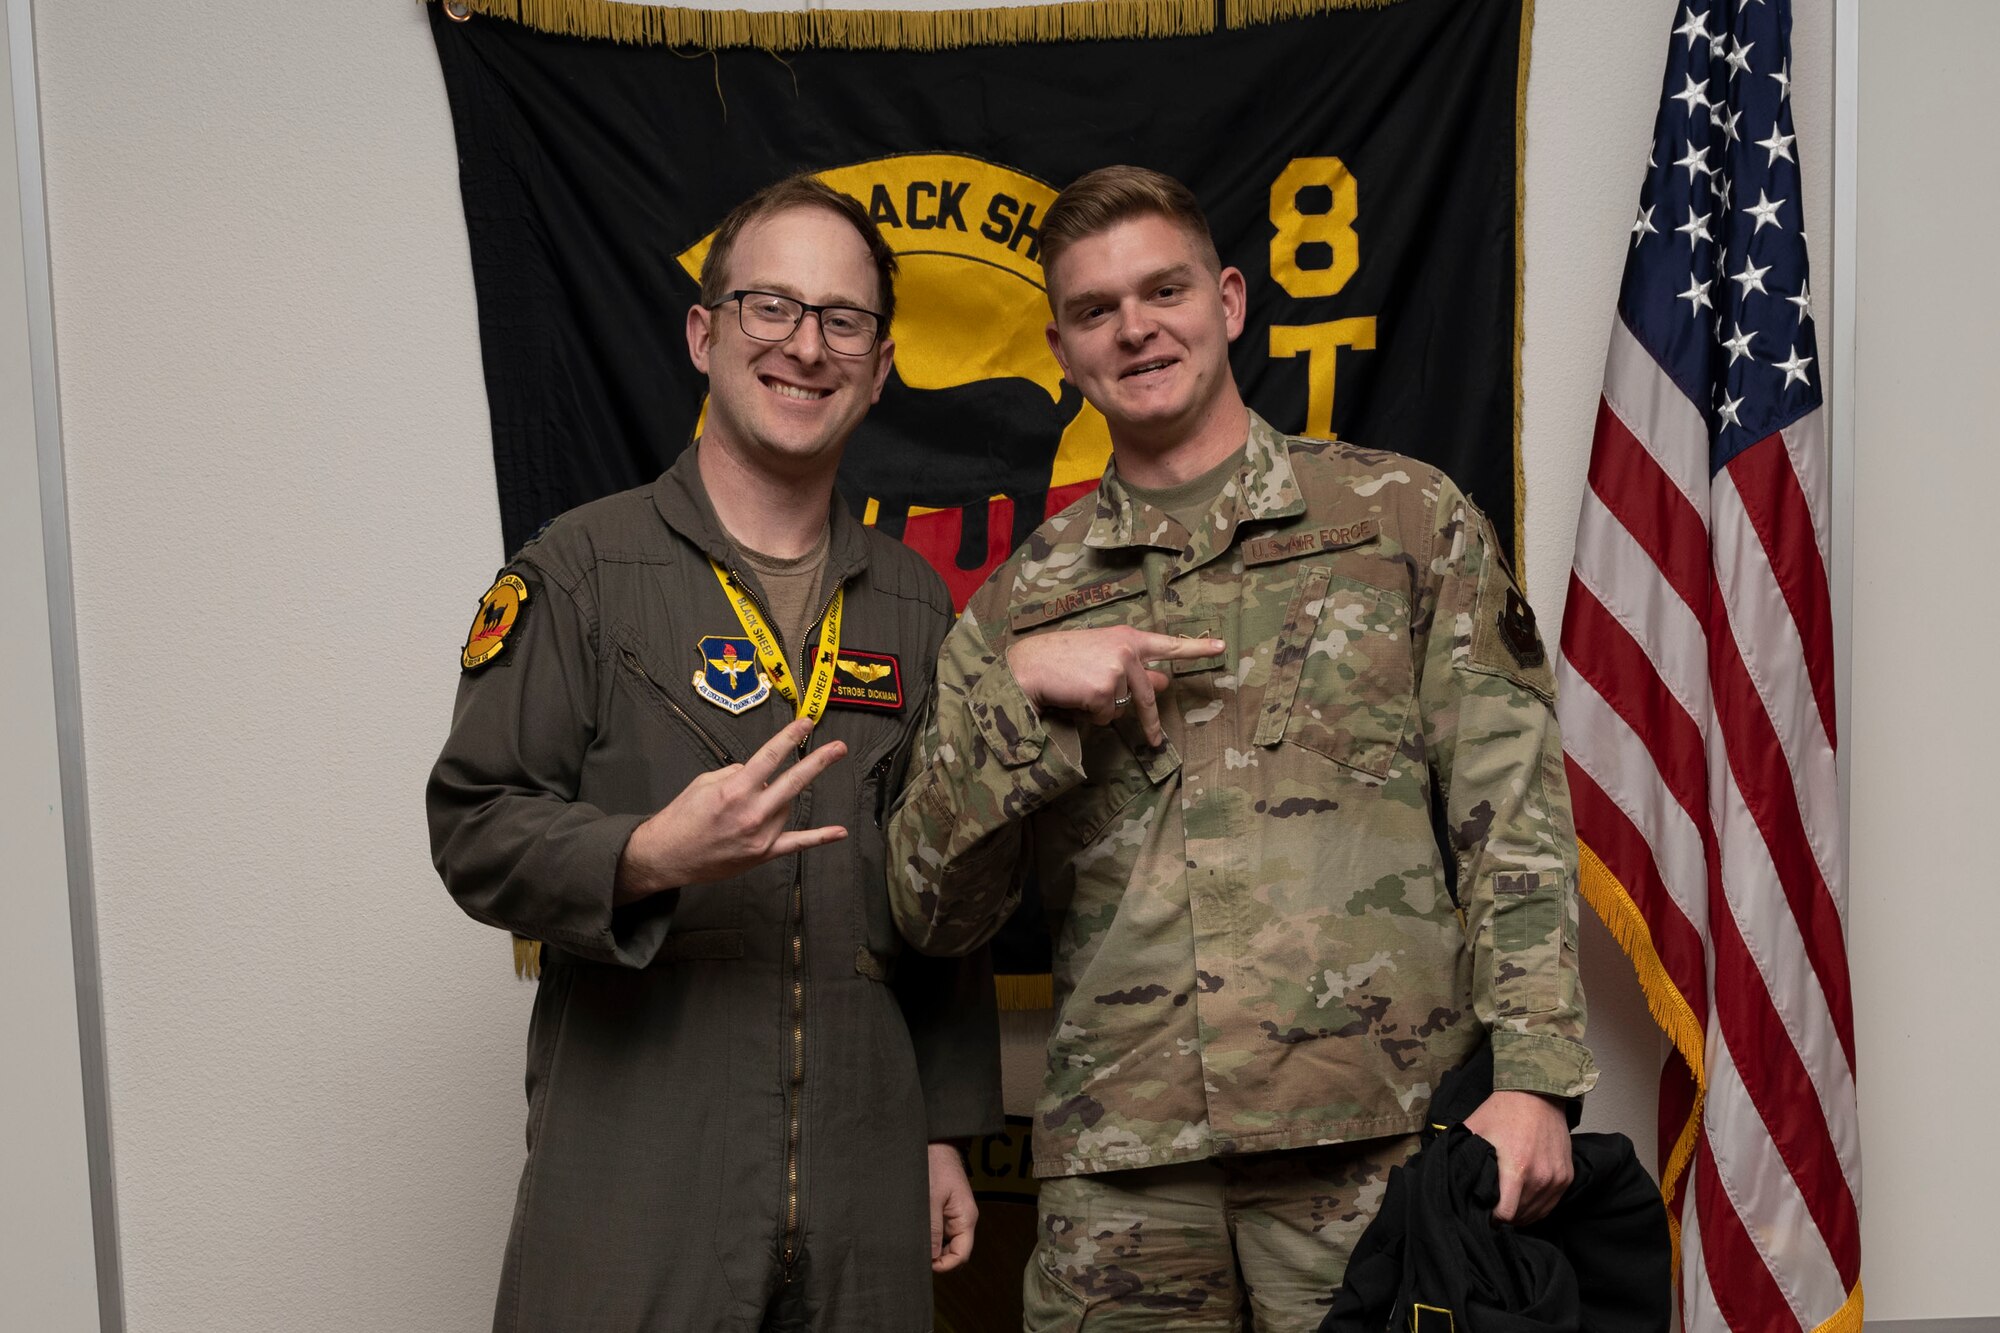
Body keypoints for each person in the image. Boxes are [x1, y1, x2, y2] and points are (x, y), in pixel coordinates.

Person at [885, 166, 1596, 1332]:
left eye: (1161, 290)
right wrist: (1015, 700)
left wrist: (1532, 1078)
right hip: (1121, 1169)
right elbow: (932, 914)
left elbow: (1510, 816)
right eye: (1096, 310)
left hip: (1375, 1141)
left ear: (1226, 300)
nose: (1135, 327)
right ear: (1061, 349)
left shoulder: (1400, 521)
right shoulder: (1020, 606)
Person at [429, 174, 1002, 1333]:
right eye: (770, 307)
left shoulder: (912, 598)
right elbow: (473, 823)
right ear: (705, 333)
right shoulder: (580, 569)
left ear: (881, 366)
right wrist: (641, 853)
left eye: (843, 320)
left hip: (860, 1164)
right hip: (641, 1159)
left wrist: (943, 1124)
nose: (806, 345)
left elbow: (942, 880)